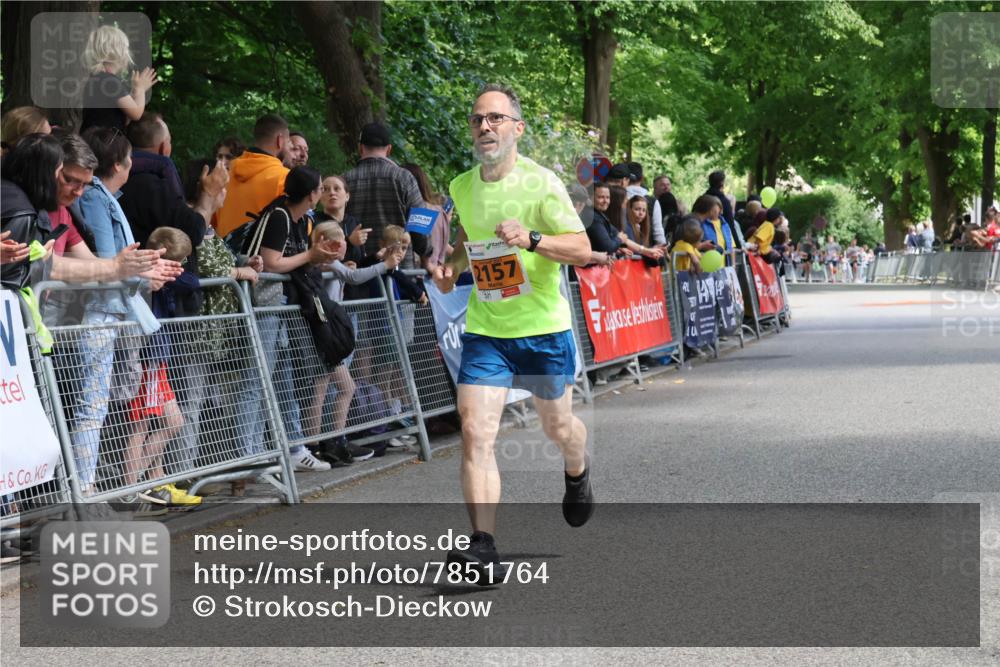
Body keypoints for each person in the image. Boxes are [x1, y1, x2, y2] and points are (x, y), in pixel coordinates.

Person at [431, 83, 594, 582]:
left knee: (557, 428)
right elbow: (467, 241)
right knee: (476, 431)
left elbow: (583, 248)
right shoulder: (461, 186)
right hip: (486, 328)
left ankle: (577, 470)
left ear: (517, 128)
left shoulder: (543, 183)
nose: (485, 126)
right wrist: (450, 267)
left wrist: (533, 238)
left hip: (543, 329)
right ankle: (483, 548)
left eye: (496, 118)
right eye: (478, 119)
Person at [252, 165, 373, 468]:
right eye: (322, 187)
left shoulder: (296, 220)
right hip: (283, 312)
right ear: (312, 194)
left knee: (296, 387)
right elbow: (272, 263)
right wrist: (312, 257)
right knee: (260, 385)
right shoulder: (280, 217)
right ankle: (309, 446)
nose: (326, 193)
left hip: (296, 315)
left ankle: (308, 446)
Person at [308, 220, 404, 464]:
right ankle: (316, 444)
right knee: (321, 390)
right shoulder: (324, 259)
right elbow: (353, 277)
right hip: (321, 332)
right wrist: (385, 265)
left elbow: (347, 272)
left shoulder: (331, 261)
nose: (343, 246)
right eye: (338, 241)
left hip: (327, 332)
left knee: (337, 388)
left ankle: (332, 441)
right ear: (323, 242)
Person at [122, 226, 200, 510]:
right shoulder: (148, 280)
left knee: (169, 421)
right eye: (180, 263)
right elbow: (192, 283)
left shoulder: (160, 279)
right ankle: (132, 485)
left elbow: (191, 282)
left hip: (157, 358)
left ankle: (156, 481)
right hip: (148, 358)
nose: (181, 269)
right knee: (144, 424)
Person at [121, 112, 227, 251]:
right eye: (170, 141)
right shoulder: (153, 186)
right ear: (164, 147)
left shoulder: (118, 176)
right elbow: (191, 234)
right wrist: (208, 194)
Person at [343, 122, 429, 269]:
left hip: (358, 270)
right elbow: (420, 225)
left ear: (360, 148)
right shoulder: (404, 177)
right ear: (389, 149)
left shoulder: (344, 181)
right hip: (401, 270)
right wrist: (426, 251)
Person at [215, 113, 291, 239]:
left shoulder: (225, 174)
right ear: (280, 140)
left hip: (223, 255)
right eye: (289, 142)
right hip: (260, 256)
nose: (290, 148)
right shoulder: (285, 178)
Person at [79, 24, 158, 133]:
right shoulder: (110, 82)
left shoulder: (97, 79)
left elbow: (125, 119)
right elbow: (136, 114)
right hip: (104, 144)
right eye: (125, 48)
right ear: (117, 52)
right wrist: (140, 89)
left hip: (92, 140)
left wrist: (135, 92)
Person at [402, 163, 453, 270]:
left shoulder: (419, 210)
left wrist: (427, 265)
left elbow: (422, 243)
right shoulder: (439, 211)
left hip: (421, 274)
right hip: (438, 274)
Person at [315, 174, 368, 268]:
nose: (331, 193)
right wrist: (350, 242)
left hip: (354, 281)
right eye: (326, 189)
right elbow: (316, 259)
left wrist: (378, 257)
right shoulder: (314, 221)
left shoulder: (354, 222)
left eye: (336, 188)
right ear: (320, 197)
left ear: (347, 196)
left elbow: (361, 262)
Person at [609, 185, 663, 261]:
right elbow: (634, 250)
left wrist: (652, 250)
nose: (641, 213)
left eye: (644, 210)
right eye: (637, 209)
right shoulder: (626, 227)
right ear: (629, 209)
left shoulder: (640, 228)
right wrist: (648, 251)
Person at [625, 162, 665, 246]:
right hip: (647, 251)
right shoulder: (653, 201)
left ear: (625, 178)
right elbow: (658, 232)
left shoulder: (619, 198)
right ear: (642, 178)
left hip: (623, 250)